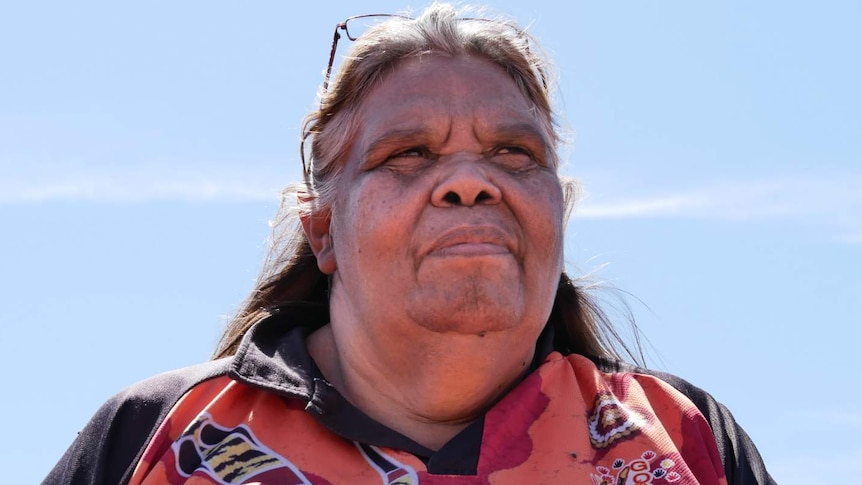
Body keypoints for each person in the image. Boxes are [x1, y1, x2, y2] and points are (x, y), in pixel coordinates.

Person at [44, 3, 775, 484]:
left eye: (514, 154)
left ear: (557, 211)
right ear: (322, 230)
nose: (469, 182)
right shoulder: (160, 436)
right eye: (410, 154)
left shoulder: (682, 439)